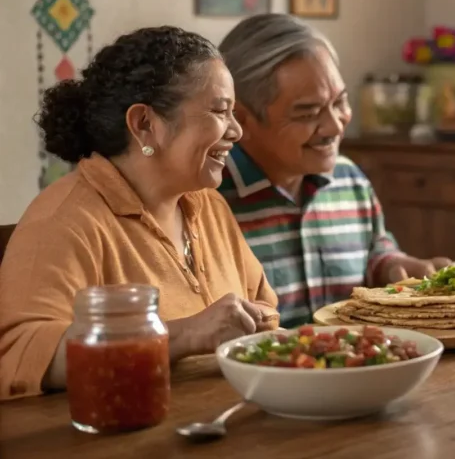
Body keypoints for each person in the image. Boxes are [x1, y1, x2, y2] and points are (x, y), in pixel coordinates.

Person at [0, 26, 280, 401]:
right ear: (145, 125)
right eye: (219, 111)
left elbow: (264, 311)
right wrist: (185, 334)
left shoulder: (208, 205)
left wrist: (256, 320)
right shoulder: (63, 222)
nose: (237, 131)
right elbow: (19, 355)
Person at [217, 14, 451, 329]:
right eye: (308, 112)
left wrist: (393, 266)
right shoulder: (209, 198)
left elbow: (375, 250)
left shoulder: (347, 177)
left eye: (340, 102)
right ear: (241, 119)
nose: (334, 125)